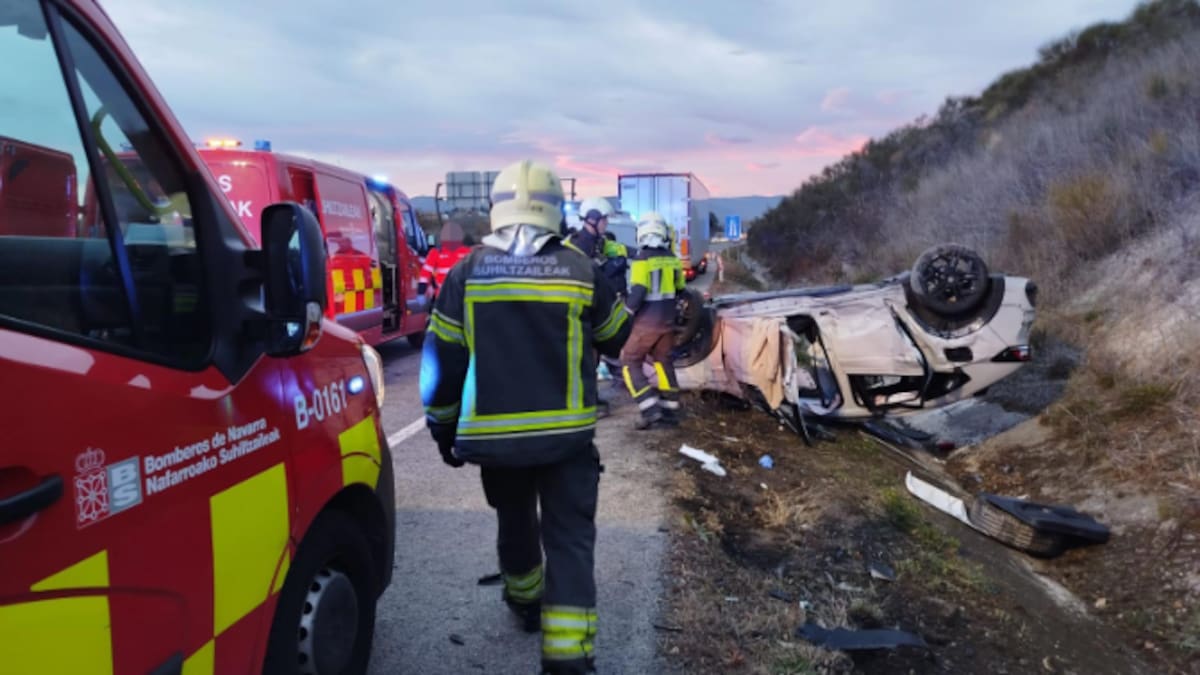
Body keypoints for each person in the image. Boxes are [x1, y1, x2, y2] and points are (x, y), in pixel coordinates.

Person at [419, 159, 632, 675]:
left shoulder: (466, 272)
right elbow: (618, 336)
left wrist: (443, 427)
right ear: (558, 211)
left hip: (497, 443)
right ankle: (567, 661)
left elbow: (440, 361)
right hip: (567, 444)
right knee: (570, 543)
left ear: (497, 209)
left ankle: (524, 602)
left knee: (514, 523)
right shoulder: (581, 268)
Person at [620, 211, 685, 430]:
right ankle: (671, 411)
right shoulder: (672, 258)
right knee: (663, 361)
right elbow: (680, 289)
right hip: (668, 321)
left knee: (629, 361)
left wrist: (626, 312)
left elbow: (638, 290)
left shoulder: (641, 258)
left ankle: (650, 409)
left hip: (646, 322)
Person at [418, 218, 473, 299]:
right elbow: (425, 274)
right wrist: (421, 292)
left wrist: (421, 293)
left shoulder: (468, 252)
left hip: (461, 296)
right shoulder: (436, 253)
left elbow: (425, 275)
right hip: (444, 297)